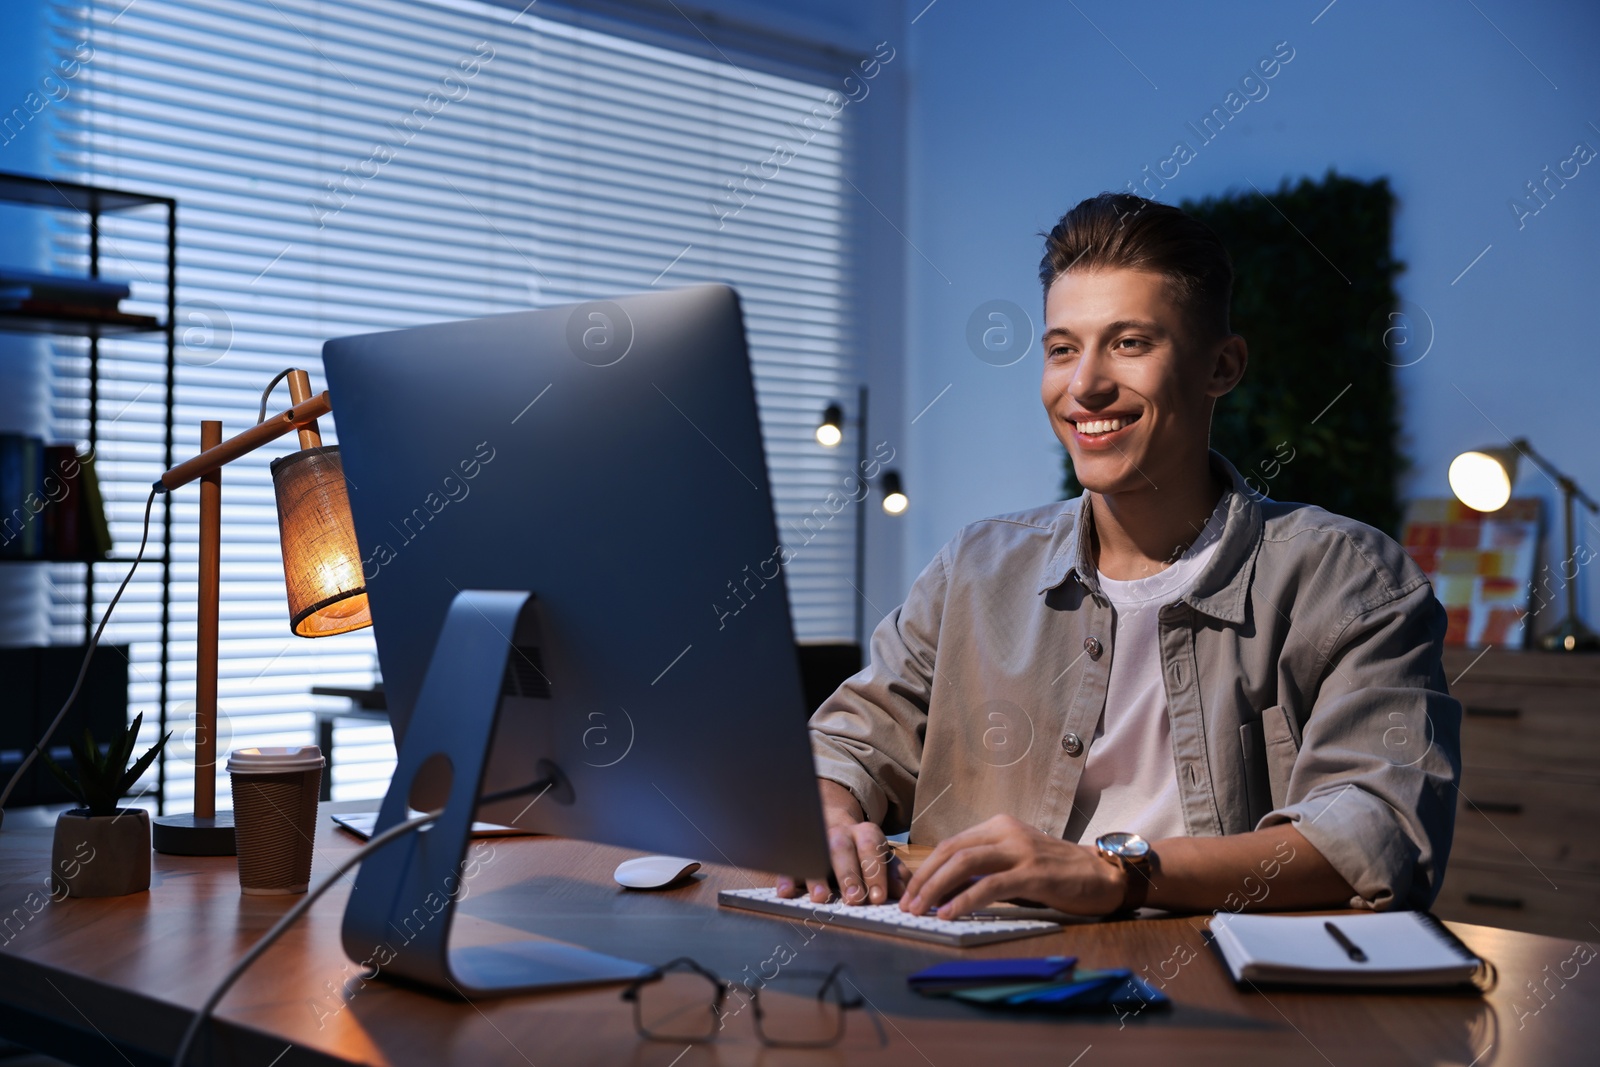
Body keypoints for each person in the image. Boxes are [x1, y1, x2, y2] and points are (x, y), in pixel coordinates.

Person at [778, 192, 1461, 920]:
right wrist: (826, 809)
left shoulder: (1350, 579)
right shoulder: (975, 567)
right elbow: (848, 740)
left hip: (1224, 1008)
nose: (1084, 386)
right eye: (1062, 348)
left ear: (1222, 366)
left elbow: (1379, 829)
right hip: (972, 988)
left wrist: (1117, 871)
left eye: (1130, 342)